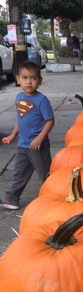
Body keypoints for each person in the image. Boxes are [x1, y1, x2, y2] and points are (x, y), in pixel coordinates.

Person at [0, 61, 55, 210]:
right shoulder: (19, 97)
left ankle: (53, 198)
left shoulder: (41, 100)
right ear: (17, 79)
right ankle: (12, 198)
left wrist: (40, 138)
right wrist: (12, 135)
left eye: (33, 78)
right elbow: (21, 118)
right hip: (22, 145)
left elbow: (50, 121)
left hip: (38, 146)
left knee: (45, 174)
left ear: (40, 81)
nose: (29, 82)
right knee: (19, 173)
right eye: (24, 78)